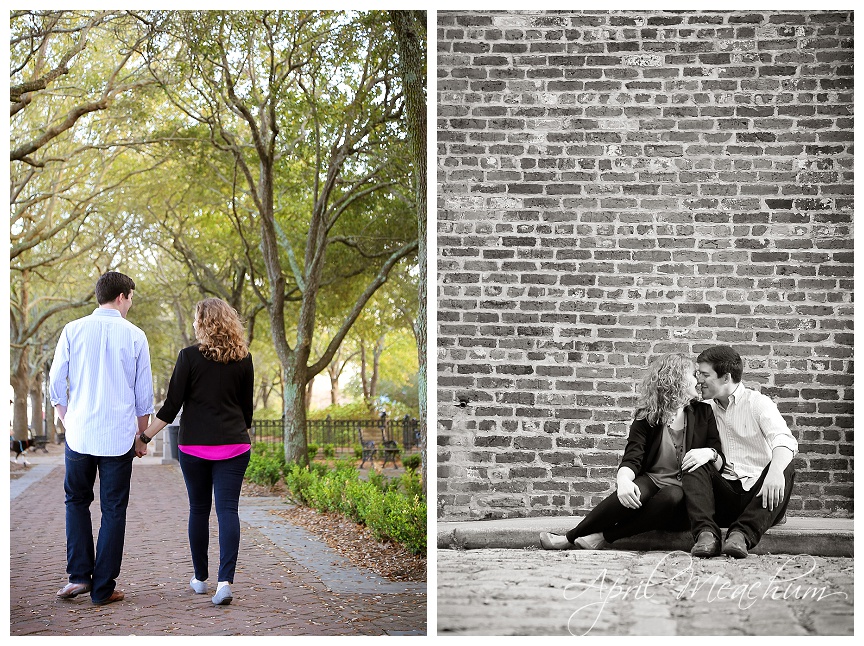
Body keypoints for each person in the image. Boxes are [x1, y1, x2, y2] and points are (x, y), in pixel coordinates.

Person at [540, 353, 724, 551]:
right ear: (677, 379)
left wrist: (710, 453)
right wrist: (623, 481)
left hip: (687, 491)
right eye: (694, 375)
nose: (698, 380)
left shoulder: (704, 413)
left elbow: (720, 461)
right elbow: (632, 458)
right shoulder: (647, 416)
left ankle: (603, 537)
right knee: (631, 492)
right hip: (653, 479)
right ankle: (570, 538)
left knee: (671, 496)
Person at [135, 298, 253, 605]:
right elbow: (247, 410)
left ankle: (201, 579)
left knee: (199, 509)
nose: (192, 324)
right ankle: (224, 582)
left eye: (195, 319)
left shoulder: (188, 357)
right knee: (228, 510)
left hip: (194, 446)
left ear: (204, 323)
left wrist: (144, 437)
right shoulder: (243, 358)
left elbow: (172, 406)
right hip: (235, 444)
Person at [49, 271, 154, 606]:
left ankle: (79, 576)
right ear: (122, 296)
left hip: (79, 435)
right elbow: (143, 397)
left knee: (76, 502)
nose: (131, 304)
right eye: (131, 298)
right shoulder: (136, 336)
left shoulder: (72, 330)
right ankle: (103, 588)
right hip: (118, 438)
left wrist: (69, 420)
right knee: (113, 509)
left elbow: (55, 386)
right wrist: (141, 437)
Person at [684, 345, 797, 559]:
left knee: (785, 464)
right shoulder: (704, 409)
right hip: (724, 495)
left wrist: (774, 472)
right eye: (698, 374)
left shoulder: (758, 403)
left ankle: (741, 536)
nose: (699, 381)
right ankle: (706, 535)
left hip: (760, 497)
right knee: (695, 461)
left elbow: (784, 439)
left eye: (705, 375)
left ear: (726, 377)